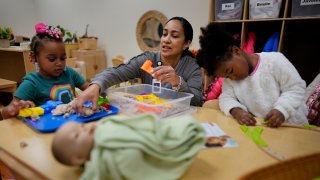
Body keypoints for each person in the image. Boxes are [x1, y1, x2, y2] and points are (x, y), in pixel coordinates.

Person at [75, 17, 202, 112]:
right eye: (164, 34)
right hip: (151, 117)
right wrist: (95, 86)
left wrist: (178, 82)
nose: (166, 40)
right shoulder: (148, 60)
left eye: (174, 36)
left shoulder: (192, 66)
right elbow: (117, 72)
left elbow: (197, 101)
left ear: (186, 44)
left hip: (178, 119)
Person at [196, 22, 307, 127]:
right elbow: (226, 98)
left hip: (293, 125)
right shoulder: (230, 80)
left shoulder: (274, 61)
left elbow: (296, 88)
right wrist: (236, 111)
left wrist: (282, 110)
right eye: (227, 77)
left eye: (230, 71)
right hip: (266, 127)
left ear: (236, 51)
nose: (232, 78)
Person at [51, 114, 205, 180]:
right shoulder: (100, 162)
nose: (86, 128)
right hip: (144, 150)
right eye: (78, 135)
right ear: (78, 158)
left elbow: (128, 124)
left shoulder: (102, 127)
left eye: (81, 126)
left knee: (182, 124)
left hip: (152, 135)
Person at [11, 22, 88, 106]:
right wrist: (15, 108)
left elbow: (89, 88)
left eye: (63, 58)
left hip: (72, 118)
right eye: (52, 59)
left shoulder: (70, 73)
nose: (59, 63)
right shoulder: (31, 83)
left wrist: (96, 87)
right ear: (34, 57)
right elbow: (7, 112)